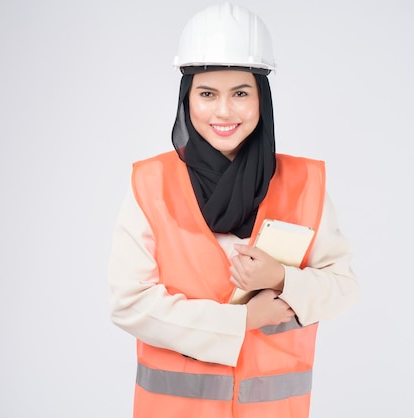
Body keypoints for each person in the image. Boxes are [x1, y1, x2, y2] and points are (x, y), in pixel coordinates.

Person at [107, 2, 360, 417]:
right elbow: (129, 304)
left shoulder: (302, 184)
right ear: (186, 98)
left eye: (240, 93)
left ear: (263, 99)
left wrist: (280, 278)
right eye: (207, 94)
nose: (223, 111)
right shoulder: (152, 184)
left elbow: (343, 289)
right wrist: (240, 321)